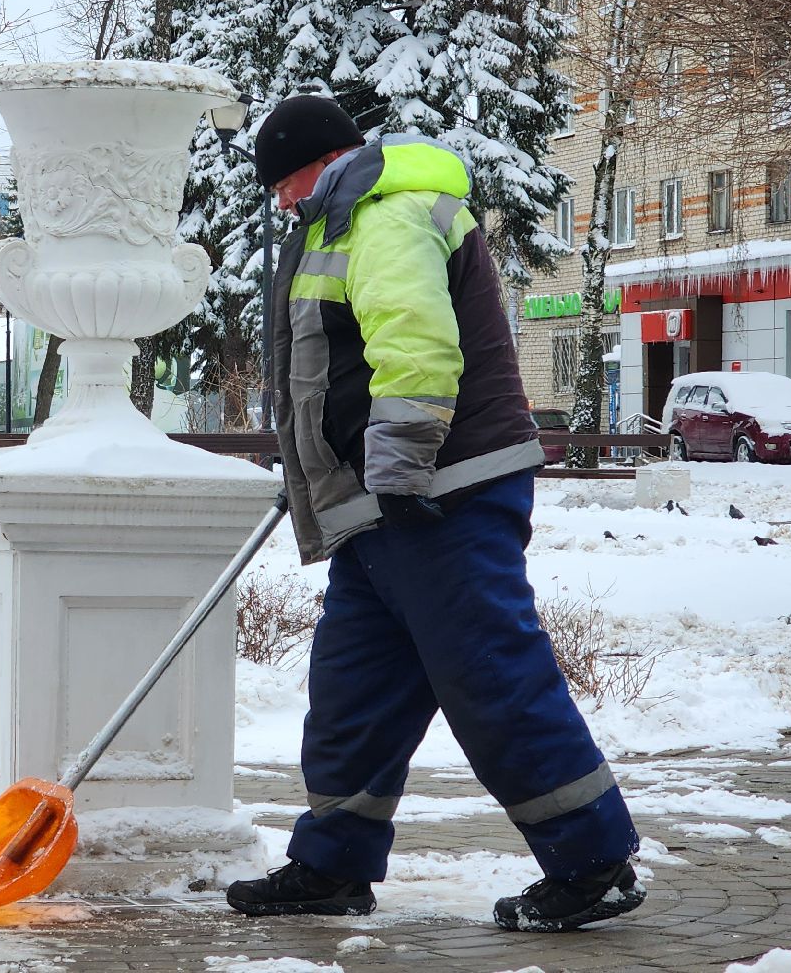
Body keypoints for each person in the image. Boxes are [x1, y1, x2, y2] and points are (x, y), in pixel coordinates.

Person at [224, 95, 643, 932]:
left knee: (490, 676)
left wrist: (401, 460)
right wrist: (323, 462)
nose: (279, 203)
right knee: (354, 686)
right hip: (384, 498)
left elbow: (414, 340)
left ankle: (593, 861)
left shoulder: (387, 209)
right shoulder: (347, 217)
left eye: (280, 183)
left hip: (440, 491)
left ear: (313, 162)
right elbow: (334, 367)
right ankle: (332, 862)